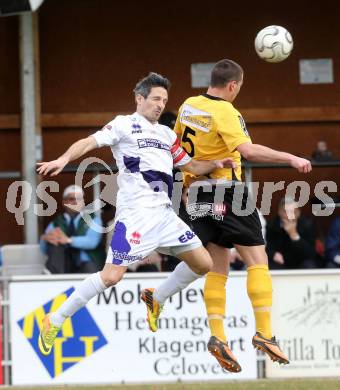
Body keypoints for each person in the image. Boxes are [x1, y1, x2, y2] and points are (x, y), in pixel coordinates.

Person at [36, 72, 236, 356]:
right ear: (139, 98)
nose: (160, 104)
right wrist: (64, 158)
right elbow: (89, 142)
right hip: (135, 216)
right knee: (111, 277)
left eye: (164, 100)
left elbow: (191, 166)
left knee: (204, 263)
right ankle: (54, 319)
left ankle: (157, 297)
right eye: (155, 98)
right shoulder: (123, 124)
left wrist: (217, 161)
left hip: (165, 216)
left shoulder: (167, 134)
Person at [143, 59, 312, 373]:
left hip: (197, 195)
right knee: (257, 261)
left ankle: (218, 336)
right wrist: (290, 157)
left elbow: (177, 148)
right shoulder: (226, 112)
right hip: (227, 192)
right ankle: (264, 332)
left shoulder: (188, 106)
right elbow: (248, 152)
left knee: (217, 267)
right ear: (233, 85)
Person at [40, 185, 105, 273]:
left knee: (90, 271)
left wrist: (68, 240)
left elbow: (92, 242)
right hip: (62, 264)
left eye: (79, 199)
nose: (75, 201)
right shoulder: (55, 223)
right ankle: (55, 279)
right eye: (71, 199)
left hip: (87, 262)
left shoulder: (93, 219)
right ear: (64, 202)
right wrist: (44, 239)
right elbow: (44, 250)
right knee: (54, 242)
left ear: (83, 201)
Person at [266, 197, 317, 270]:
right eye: (286, 212)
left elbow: (311, 254)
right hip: (280, 263)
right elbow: (268, 248)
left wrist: (294, 235)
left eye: (293, 212)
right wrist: (273, 254)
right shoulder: (272, 225)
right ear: (279, 212)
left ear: (299, 213)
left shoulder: (307, 225)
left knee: (310, 265)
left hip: (301, 262)